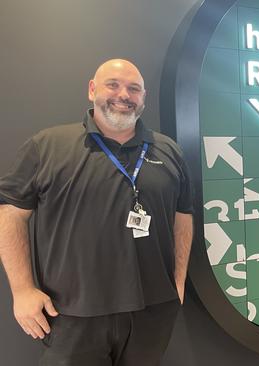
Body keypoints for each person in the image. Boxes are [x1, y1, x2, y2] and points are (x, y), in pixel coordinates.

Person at [0, 59, 194, 365]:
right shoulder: (48, 146)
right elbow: (10, 213)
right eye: (113, 85)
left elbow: (183, 215)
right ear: (92, 90)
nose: (124, 95)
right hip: (72, 315)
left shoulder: (168, 150)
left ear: (143, 98)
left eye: (134, 89)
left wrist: (178, 282)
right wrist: (22, 290)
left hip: (152, 312)